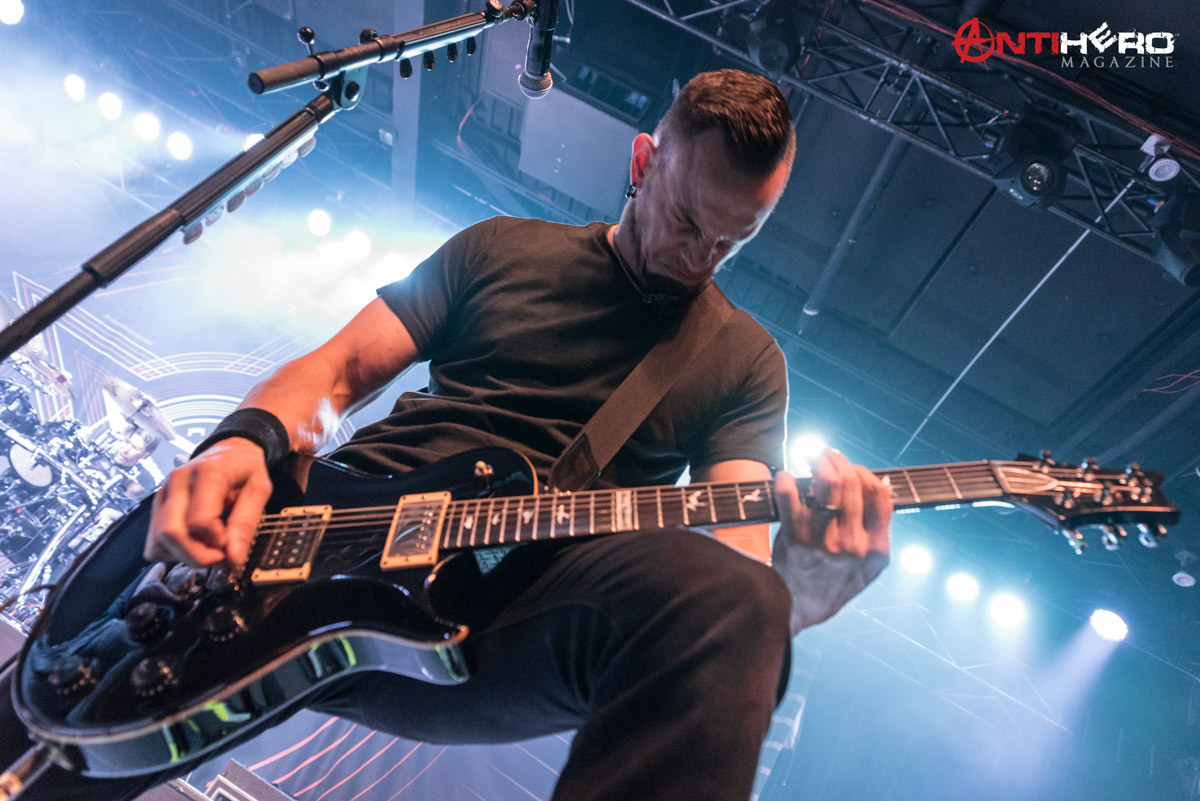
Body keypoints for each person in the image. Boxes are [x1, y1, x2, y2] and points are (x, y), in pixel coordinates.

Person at [0, 69, 891, 800]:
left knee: (733, 602)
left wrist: (790, 595)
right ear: (643, 161)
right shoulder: (501, 247)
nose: (699, 258)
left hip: (506, 610)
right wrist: (243, 442)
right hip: (331, 533)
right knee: (57, 718)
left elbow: (733, 553)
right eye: (690, 222)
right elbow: (338, 371)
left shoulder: (742, 359)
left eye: (733, 242)